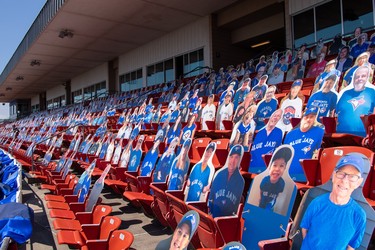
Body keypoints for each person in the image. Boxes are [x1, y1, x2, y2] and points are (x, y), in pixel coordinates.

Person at [300, 154, 366, 250]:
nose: (344, 180)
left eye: (352, 177)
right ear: (334, 176)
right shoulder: (317, 203)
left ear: (358, 183)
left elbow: (351, 247)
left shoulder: (359, 216)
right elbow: (304, 229)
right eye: (341, 173)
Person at [284, 106, 324, 182]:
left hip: (305, 177)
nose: (308, 119)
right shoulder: (290, 134)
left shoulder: (319, 132)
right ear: (302, 117)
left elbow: (319, 153)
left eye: (312, 117)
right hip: (287, 175)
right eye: (306, 117)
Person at [336, 66, 375, 136]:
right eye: (357, 77)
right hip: (340, 133)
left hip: (363, 135)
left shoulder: (372, 92)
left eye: (363, 76)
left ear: (367, 78)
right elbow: (335, 112)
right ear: (353, 79)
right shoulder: (345, 93)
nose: (360, 78)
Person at [208, 145, 245, 218]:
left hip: (226, 219)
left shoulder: (241, 181)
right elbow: (211, 195)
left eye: (236, 158)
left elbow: (236, 205)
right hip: (214, 214)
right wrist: (210, 211)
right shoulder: (219, 174)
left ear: (239, 160)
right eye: (231, 157)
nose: (233, 161)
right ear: (228, 158)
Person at [249, 109, 283, 173]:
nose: (276, 117)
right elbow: (253, 150)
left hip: (267, 168)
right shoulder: (259, 133)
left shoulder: (279, 132)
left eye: (278, 116)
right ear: (270, 117)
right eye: (274, 115)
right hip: (253, 167)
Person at [258, 147, 292, 211]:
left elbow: (279, 194)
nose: (277, 169)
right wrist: (260, 198)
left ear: (285, 168)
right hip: (262, 205)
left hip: (271, 205)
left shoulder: (282, 183)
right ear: (270, 166)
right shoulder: (265, 180)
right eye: (275, 165)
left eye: (281, 166)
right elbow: (261, 190)